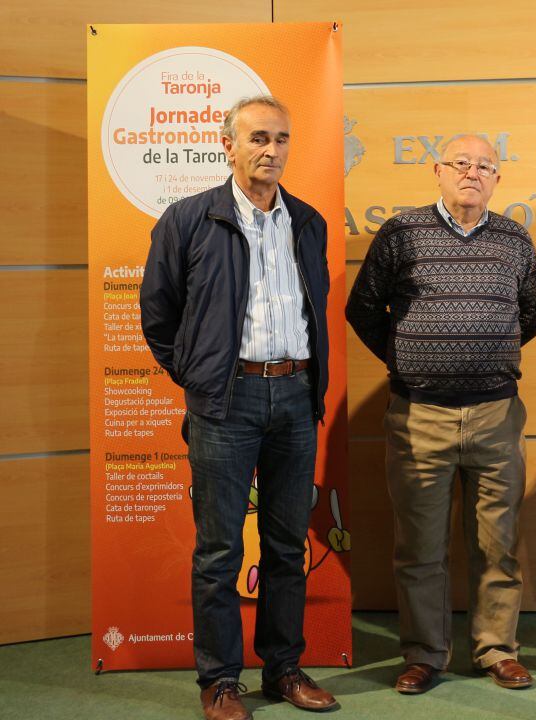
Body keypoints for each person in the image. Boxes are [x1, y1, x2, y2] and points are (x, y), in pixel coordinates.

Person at [141, 95, 336, 720]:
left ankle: (283, 670)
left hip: (296, 395)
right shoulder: (189, 219)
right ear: (228, 144)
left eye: (280, 138)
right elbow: (159, 314)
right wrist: (201, 376)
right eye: (257, 137)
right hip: (227, 400)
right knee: (220, 549)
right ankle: (221, 681)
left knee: (285, 547)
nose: (270, 149)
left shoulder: (307, 221)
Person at [346, 134, 536, 695]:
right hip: (419, 415)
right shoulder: (401, 233)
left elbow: (529, 314)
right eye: (461, 163)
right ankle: (425, 656)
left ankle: (497, 650)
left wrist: (482, 352)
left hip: (496, 414)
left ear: (497, 179)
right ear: (437, 171)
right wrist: (408, 354)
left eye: (485, 166)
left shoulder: (514, 239)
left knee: (497, 543)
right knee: (420, 548)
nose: (472, 173)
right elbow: (363, 309)